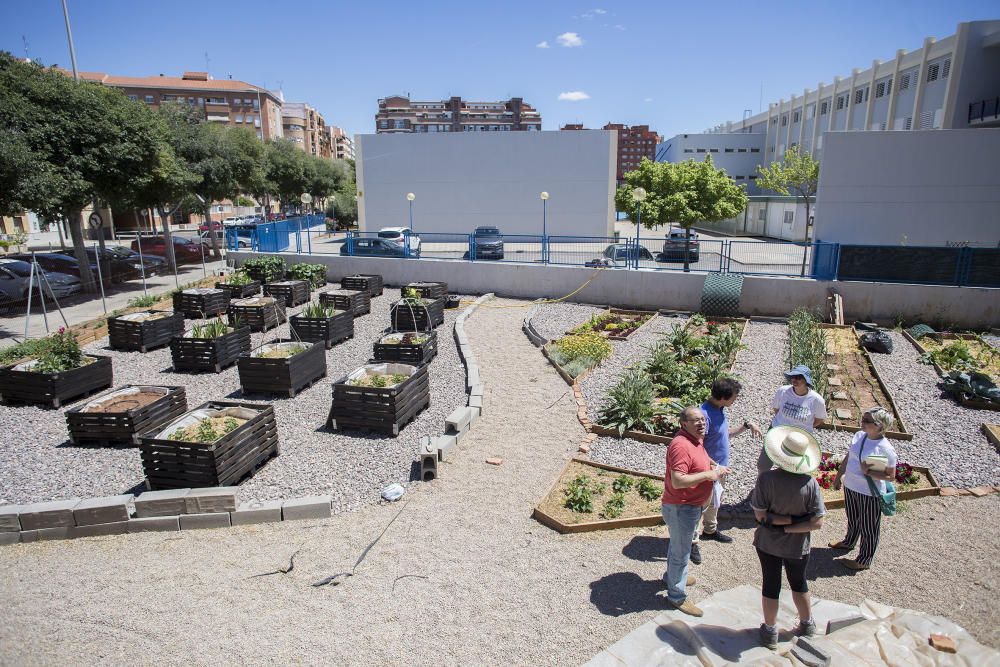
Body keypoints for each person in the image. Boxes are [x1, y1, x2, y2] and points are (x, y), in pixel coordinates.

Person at [751, 426, 826, 650]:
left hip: (768, 543)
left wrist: (781, 523)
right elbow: (817, 522)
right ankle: (807, 624)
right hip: (798, 546)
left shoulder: (766, 480)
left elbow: (760, 516)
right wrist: (794, 523)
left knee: (770, 584)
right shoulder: (810, 484)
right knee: (799, 582)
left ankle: (770, 630)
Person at [661, 406, 729, 617]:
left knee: (678, 545)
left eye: (703, 420)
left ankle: (673, 576)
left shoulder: (695, 440)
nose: (702, 424)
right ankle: (676, 595)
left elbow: (702, 459)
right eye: (695, 420)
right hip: (682, 507)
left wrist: (715, 466)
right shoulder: (681, 445)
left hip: (691, 506)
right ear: (684, 424)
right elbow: (679, 480)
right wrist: (710, 475)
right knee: (682, 552)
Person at [693, 378, 762, 563]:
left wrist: (745, 426)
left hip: (720, 469)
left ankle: (710, 530)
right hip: (709, 469)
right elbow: (696, 448)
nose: (736, 399)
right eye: (734, 396)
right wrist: (713, 466)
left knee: (715, 501)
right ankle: (692, 542)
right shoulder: (704, 416)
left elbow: (723, 434)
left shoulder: (719, 410)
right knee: (699, 506)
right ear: (723, 397)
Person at [829, 407, 897, 571]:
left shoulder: (884, 448)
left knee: (869, 528)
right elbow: (849, 456)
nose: (862, 422)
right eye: (863, 418)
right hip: (851, 486)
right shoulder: (860, 436)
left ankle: (864, 560)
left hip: (869, 493)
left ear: (879, 425)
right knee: (853, 518)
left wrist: (870, 471)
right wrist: (838, 477)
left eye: (867, 421)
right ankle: (849, 542)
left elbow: (890, 476)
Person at [758, 365, 828, 473]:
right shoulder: (782, 391)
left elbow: (819, 420)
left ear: (806, 381)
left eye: (799, 377)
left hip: (798, 440)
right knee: (763, 465)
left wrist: (801, 427)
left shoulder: (817, 400)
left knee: (790, 469)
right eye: (793, 376)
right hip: (777, 432)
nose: (794, 380)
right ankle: (762, 486)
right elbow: (777, 410)